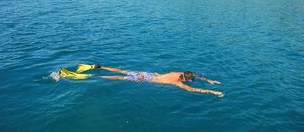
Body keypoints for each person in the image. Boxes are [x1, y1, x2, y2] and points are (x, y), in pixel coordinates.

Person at [74, 64, 224, 98]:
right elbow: (195, 89)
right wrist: (213, 91)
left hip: (147, 73)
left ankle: (98, 66)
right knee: (120, 78)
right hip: (147, 79)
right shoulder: (177, 83)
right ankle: (93, 77)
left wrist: (209, 80)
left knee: (122, 71)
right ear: (184, 79)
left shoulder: (179, 73)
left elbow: (195, 76)